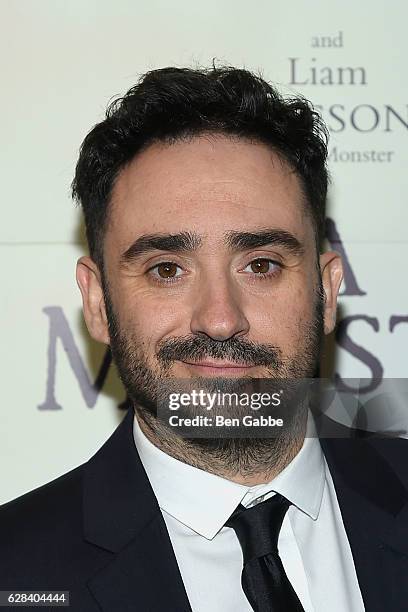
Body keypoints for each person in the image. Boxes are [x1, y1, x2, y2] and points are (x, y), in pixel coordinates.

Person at [1, 66, 407, 612]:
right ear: (97, 303)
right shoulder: (16, 569)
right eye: (167, 269)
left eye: (260, 264)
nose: (219, 320)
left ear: (327, 291)